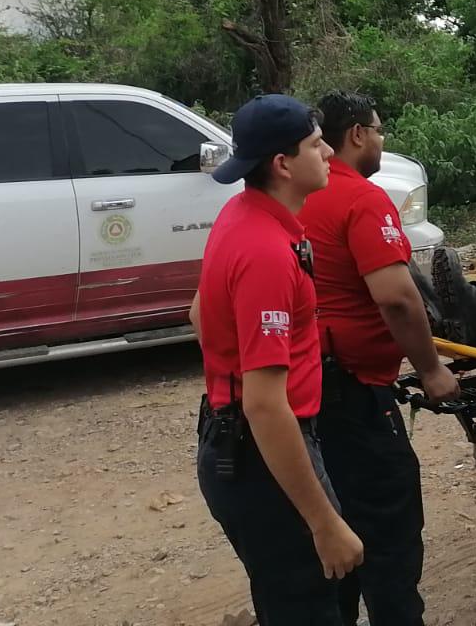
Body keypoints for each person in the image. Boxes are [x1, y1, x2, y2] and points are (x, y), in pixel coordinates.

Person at [191, 94, 361, 626]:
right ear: (283, 164)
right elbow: (265, 406)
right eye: (316, 145)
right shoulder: (266, 251)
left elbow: (198, 312)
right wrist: (323, 522)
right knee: (309, 603)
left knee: (296, 597)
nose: (330, 152)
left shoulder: (240, 214)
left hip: (234, 441)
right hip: (260, 456)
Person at [301, 92, 460, 626]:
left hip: (309, 388)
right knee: (389, 531)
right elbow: (395, 297)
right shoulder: (361, 198)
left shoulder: (297, 197)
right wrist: (433, 368)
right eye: (379, 129)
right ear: (357, 135)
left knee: (335, 521)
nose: (382, 138)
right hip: (356, 392)